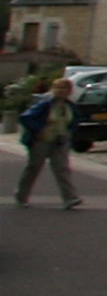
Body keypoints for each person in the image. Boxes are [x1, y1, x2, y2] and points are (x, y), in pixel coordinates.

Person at [15, 77, 84, 208]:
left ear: (69, 91)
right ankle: (21, 195)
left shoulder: (70, 106)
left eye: (64, 88)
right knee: (34, 167)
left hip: (60, 141)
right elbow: (25, 117)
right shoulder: (45, 104)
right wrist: (38, 130)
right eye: (58, 88)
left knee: (62, 168)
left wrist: (69, 133)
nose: (61, 91)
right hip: (42, 141)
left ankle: (70, 198)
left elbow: (74, 121)